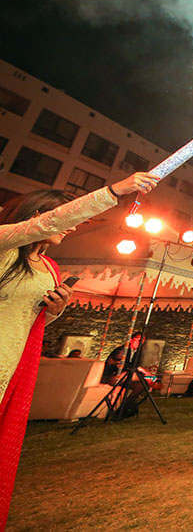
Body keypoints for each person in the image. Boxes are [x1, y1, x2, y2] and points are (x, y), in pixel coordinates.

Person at [0, 171, 158, 526]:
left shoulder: (50, 267)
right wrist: (117, 190)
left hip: (14, 364)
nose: (71, 226)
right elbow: (49, 223)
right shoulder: (5, 245)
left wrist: (54, 311)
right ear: (35, 214)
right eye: (64, 216)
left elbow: (32, 317)